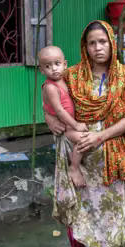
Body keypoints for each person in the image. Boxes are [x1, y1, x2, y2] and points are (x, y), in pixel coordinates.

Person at [44, 20, 125, 247]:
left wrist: (100, 136)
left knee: (112, 209)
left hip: (109, 154)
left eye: (102, 42)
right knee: (78, 206)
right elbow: (50, 93)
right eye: (92, 43)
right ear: (85, 47)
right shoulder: (72, 75)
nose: (98, 48)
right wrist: (48, 119)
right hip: (76, 153)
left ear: (112, 43)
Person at [39, 46, 88, 187]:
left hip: (71, 124)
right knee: (83, 140)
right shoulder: (50, 87)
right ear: (42, 70)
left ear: (65, 64)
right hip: (67, 127)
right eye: (48, 66)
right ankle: (74, 167)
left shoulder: (66, 79)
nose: (54, 69)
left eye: (57, 64)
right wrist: (76, 125)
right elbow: (59, 111)